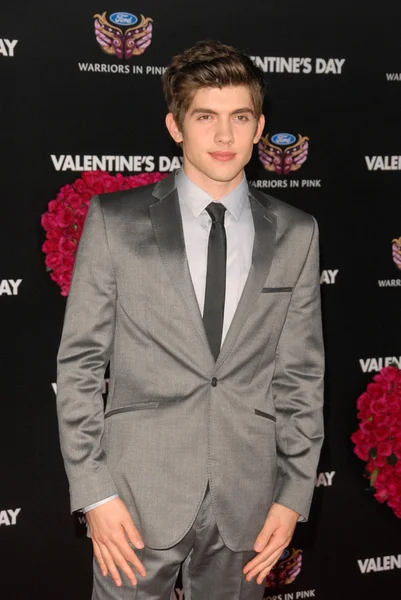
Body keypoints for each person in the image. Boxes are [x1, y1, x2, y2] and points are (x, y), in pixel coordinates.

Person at [56, 40, 325, 600]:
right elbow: (80, 364)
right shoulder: (115, 221)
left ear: (259, 126)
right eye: (206, 117)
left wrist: (294, 493)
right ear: (176, 127)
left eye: (239, 118)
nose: (224, 136)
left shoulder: (298, 232)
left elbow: (300, 376)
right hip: (133, 496)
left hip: (247, 497)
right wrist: (94, 492)